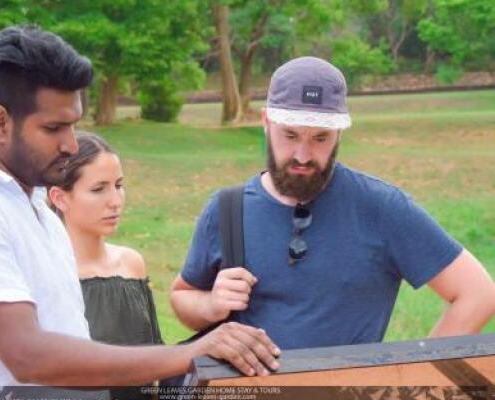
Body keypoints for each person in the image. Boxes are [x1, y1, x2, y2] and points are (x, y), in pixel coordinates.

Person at [0, 25, 280, 386]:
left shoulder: (35, 208)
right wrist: (193, 352)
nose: (71, 145)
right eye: (54, 128)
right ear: (0, 123)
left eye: (74, 126)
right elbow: (27, 355)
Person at [170, 56, 495, 351]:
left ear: (339, 133)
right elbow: (182, 295)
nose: (302, 155)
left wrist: (413, 383)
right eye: (291, 135)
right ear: (266, 122)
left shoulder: (381, 208)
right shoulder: (227, 210)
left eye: (320, 138)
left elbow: (478, 293)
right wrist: (211, 305)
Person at [48, 132, 162, 398]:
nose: (115, 201)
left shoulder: (132, 264)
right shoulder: (49, 276)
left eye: (119, 185)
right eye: (98, 189)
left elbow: (154, 368)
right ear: (59, 198)